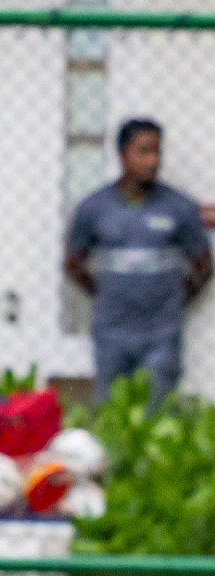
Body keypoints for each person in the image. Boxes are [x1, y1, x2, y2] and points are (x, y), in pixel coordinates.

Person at [66, 117, 212, 406]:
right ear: (122, 155)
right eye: (143, 151)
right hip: (111, 333)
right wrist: (106, 295)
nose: (152, 160)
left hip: (161, 334)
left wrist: (174, 300)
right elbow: (73, 264)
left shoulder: (178, 207)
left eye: (157, 152)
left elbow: (204, 265)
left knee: (157, 415)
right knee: (111, 414)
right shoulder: (94, 208)